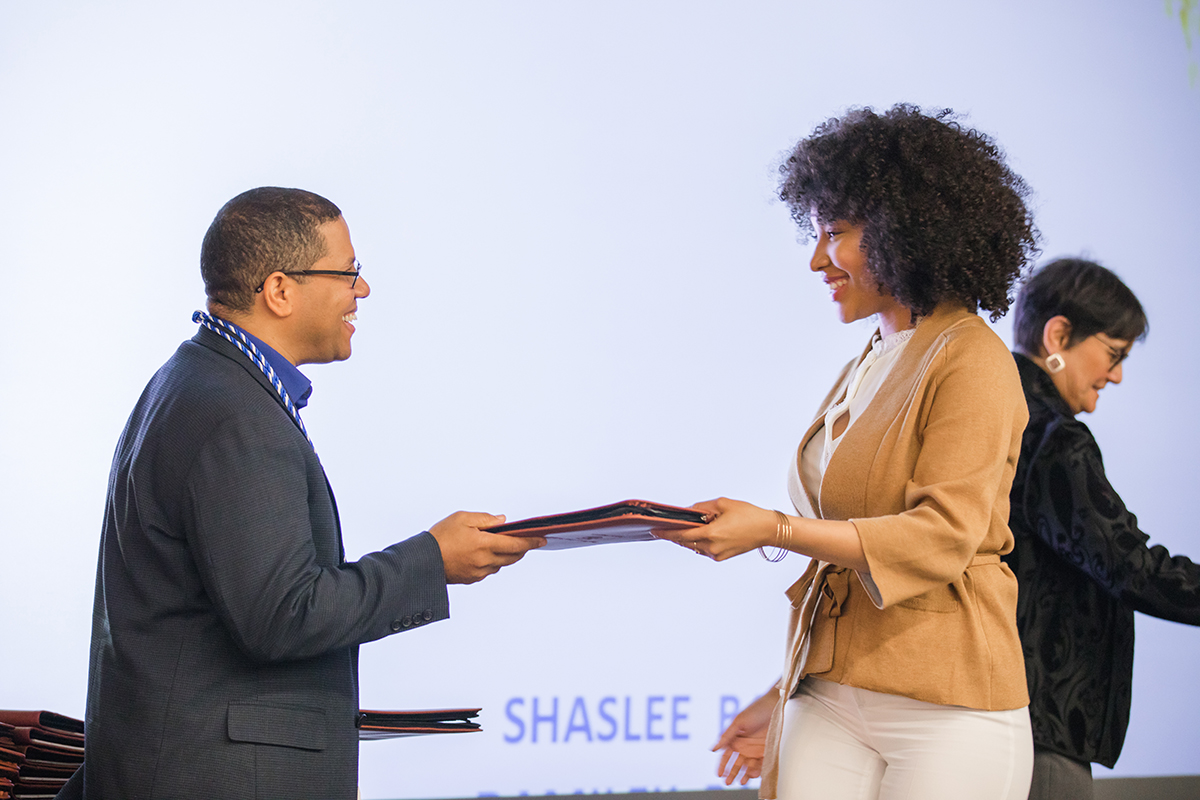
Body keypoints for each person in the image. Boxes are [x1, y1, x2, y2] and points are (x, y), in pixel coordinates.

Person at [67, 187, 544, 800]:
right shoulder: (234, 414)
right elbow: (282, 615)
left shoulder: (197, 382)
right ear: (280, 290)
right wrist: (432, 560)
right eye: (348, 272)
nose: (362, 290)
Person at [656, 105, 1039, 800]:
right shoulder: (871, 358)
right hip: (831, 690)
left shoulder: (973, 359)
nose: (816, 260)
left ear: (904, 230)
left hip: (948, 704)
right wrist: (785, 687)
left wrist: (774, 530)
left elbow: (941, 536)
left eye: (834, 233)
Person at [1005, 257, 1200, 800]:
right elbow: (1129, 565)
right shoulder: (1052, 436)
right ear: (1058, 335)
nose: (1115, 376)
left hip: (994, 713)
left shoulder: (994, 415)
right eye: (1113, 355)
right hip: (1040, 725)